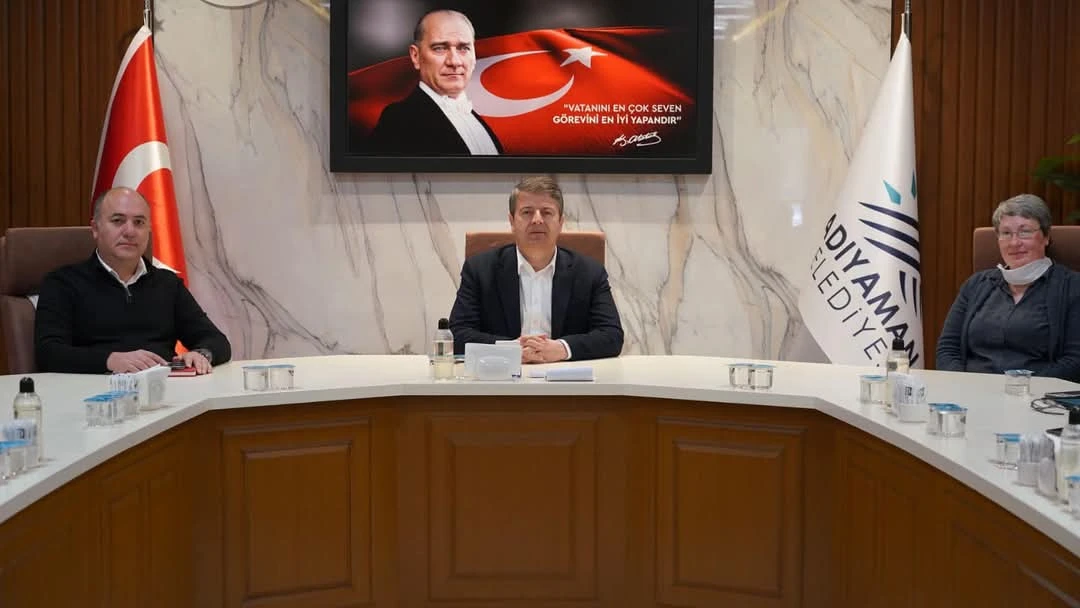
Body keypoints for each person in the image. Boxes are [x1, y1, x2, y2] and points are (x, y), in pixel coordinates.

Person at [34, 187, 231, 375]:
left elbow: (217, 341)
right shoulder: (63, 283)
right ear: (95, 229)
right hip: (94, 390)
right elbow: (48, 353)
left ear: (148, 231)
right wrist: (109, 360)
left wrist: (201, 354)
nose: (130, 231)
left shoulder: (167, 284)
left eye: (139, 222)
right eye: (118, 221)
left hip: (163, 389)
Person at [449, 176, 623, 362]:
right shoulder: (480, 270)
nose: (537, 220)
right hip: (501, 373)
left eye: (547, 212)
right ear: (512, 221)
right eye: (527, 212)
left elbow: (611, 335)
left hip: (566, 374)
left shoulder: (589, 272)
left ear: (561, 222)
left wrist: (562, 349)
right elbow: (457, 334)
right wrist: (511, 350)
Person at [936, 193, 1080, 381]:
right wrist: (964, 385)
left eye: (1025, 232)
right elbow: (948, 349)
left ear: (1046, 236)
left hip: (1039, 393)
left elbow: (1074, 361)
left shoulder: (1072, 287)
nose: (1014, 242)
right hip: (972, 390)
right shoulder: (975, 285)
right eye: (1006, 233)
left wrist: (1019, 389)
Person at [369, 9, 504, 156]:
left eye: (464, 48)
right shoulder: (399, 120)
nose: (455, 61)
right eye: (440, 48)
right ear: (415, 56)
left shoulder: (478, 121)